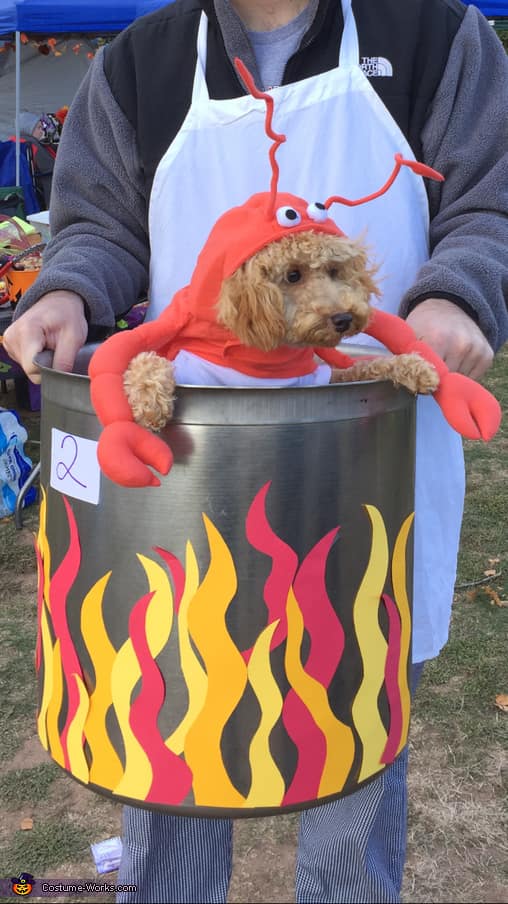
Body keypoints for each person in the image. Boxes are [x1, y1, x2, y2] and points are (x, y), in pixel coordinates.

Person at [3, 1, 508, 901]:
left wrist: (458, 295)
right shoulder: (136, 66)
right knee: (168, 706)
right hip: (180, 477)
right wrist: (71, 290)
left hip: (372, 467)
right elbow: (99, 226)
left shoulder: (437, 37)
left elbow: (491, 201)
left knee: (350, 708)